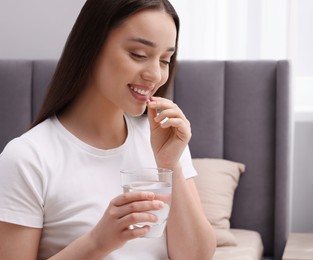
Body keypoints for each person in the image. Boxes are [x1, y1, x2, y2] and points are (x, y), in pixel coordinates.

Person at [0, 0, 217, 259]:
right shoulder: (27, 158)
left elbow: (197, 256)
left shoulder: (164, 140)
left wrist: (172, 164)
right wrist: (97, 241)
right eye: (138, 54)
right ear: (91, 46)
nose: (155, 75)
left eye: (165, 59)